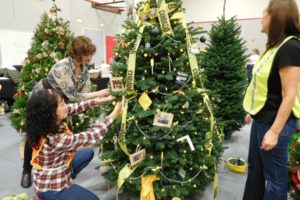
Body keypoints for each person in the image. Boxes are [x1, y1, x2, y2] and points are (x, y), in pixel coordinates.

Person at [21, 35, 109, 188]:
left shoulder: (84, 70)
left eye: (90, 54)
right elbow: (75, 95)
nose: (89, 57)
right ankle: (27, 170)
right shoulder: (61, 67)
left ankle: (62, 170)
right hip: (43, 100)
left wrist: (100, 100)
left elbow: (84, 94)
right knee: (35, 135)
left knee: (62, 134)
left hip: (61, 102)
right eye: (86, 54)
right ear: (76, 53)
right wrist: (102, 93)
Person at [243, 0, 300, 199]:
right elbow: (268, 86)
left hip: (276, 124)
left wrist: (275, 132)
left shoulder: (290, 47)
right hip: (262, 119)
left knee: (275, 181)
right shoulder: (273, 47)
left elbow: (289, 95)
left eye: (264, 13)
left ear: (276, 18)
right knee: (255, 171)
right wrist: (254, 111)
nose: (260, 17)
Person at [25, 89, 121, 199]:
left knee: (87, 153)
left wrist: (101, 100)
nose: (65, 106)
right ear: (51, 112)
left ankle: (67, 177)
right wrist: (115, 112)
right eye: (61, 104)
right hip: (52, 187)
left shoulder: (44, 122)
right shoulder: (55, 139)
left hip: (51, 170)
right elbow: (92, 135)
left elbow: (75, 107)